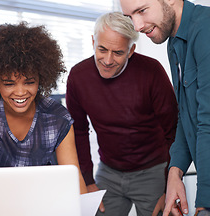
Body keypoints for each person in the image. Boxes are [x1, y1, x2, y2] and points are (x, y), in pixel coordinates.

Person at [66, 12, 178, 215]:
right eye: (102, 49)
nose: (107, 60)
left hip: (154, 171)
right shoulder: (78, 76)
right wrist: (88, 182)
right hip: (108, 172)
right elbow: (79, 132)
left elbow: (173, 130)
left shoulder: (152, 72)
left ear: (131, 50)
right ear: (93, 41)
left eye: (117, 52)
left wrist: (168, 184)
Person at [116, 0, 210, 215]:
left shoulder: (206, 29)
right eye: (130, 16)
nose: (136, 26)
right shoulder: (173, 42)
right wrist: (175, 171)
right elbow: (187, 115)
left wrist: (205, 202)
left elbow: (208, 122)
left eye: (142, 11)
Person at [0, 22, 87, 194]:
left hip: (42, 201)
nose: (20, 92)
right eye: (9, 83)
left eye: (30, 82)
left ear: (41, 78)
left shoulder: (58, 117)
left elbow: (73, 178)